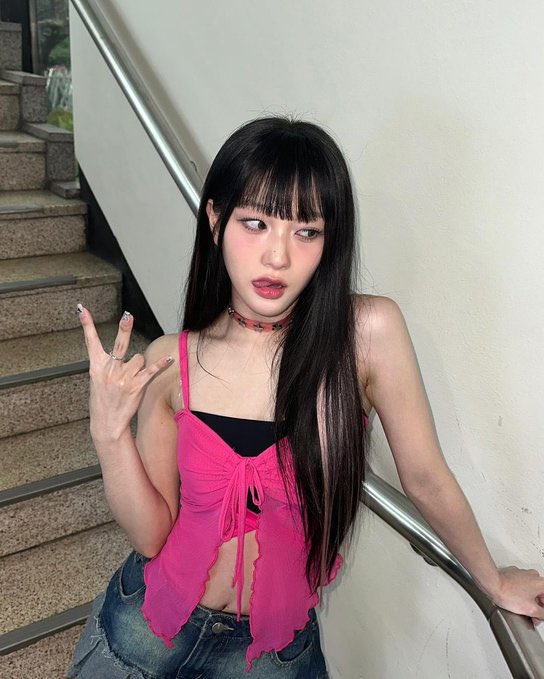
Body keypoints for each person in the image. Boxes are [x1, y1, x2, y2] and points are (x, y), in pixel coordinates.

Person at [67, 115, 544, 679]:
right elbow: (151, 535)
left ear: (329, 239)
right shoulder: (172, 358)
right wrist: (108, 434)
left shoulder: (366, 335)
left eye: (306, 231)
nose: (278, 257)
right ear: (215, 221)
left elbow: (424, 476)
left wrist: (492, 580)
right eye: (255, 223)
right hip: (144, 634)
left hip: (270, 658)